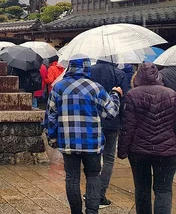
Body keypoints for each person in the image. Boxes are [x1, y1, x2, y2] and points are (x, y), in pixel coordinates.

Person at [46, 57, 121, 214]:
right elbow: (111, 112)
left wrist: (52, 138)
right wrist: (115, 94)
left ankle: (76, 212)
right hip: (92, 142)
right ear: (87, 69)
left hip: (68, 141)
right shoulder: (96, 88)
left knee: (72, 178)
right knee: (93, 175)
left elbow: (51, 116)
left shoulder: (58, 88)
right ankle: (92, 211)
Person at [118, 63, 176, 214]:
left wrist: (122, 150)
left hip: (139, 151)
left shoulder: (132, 94)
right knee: (163, 190)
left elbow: (128, 126)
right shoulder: (171, 94)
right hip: (167, 151)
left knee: (142, 188)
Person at [89, 57, 130, 208]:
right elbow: (124, 99)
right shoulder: (119, 74)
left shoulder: (90, 71)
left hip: (93, 119)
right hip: (112, 122)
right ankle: (100, 194)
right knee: (108, 158)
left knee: (92, 155)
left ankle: (91, 190)